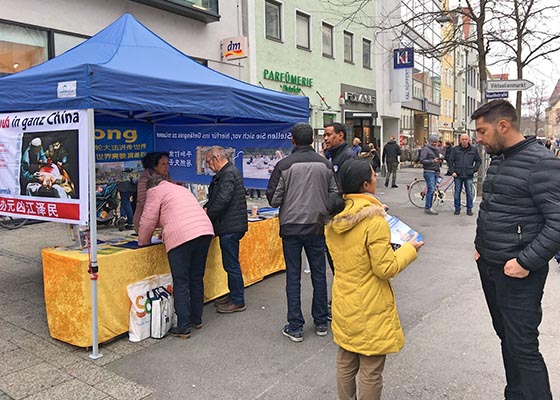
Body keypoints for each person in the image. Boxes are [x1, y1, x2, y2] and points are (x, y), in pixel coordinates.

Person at [472, 99, 560, 400]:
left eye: (482, 131)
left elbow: (557, 222)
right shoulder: (500, 158)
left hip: (519, 273)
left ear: (503, 126)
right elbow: (491, 208)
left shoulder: (541, 162)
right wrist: (479, 247)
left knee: (523, 346)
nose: (479, 139)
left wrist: (525, 262)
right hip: (490, 266)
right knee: (507, 338)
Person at [325, 159, 423, 400]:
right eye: (373, 176)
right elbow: (385, 268)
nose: (375, 179)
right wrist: (409, 249)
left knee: (346, 360)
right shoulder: (374, 222)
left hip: (344, 298)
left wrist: (378, 211)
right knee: (371, 369)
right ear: (365, 184)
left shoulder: (334, 216)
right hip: (370, 303)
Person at [266, 123, 338, 342]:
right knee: (319, 274)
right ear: (312, 140)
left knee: (293, 276)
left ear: (293, 140)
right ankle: (321, 321)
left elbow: (274, 199)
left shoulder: (284, 165)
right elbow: (334, 195)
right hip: (317, 226)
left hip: (291, 227)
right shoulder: (325, 165)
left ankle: (296, 326)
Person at [138, 175, 214, 339]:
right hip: (204, 231)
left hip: (182, 236)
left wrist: (143, 242)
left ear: (150, 187)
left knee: (181, 281)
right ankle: (196, 319)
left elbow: (148, 220)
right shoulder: (180, 189)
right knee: (196, 277)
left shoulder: (154, 191)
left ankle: (183, 327)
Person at [204, 146, 249, 314]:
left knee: (231, 264)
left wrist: (208, 213)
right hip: (230, 224)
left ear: (216, 158)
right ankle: (234, 295)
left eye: (208, 162)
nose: (208, 166)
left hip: (230, 225)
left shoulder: (228, 173)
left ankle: (238, 300)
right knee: (230, 263)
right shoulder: (227, 172)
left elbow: (223, 199)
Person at [133, 152, 171, 232]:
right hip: (145, 220)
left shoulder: (167, 176)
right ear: (154, 166)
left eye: (168, 163)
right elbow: (143, 201)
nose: (167, 166)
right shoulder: (145, 179)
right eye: (163, 164)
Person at [447, 134, 481, 216]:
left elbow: (478, 161)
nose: (464, 141)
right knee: (457, 193)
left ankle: (469, 209)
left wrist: (474, 170)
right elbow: (450, 161)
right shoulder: (455, 150)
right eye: (462, 139)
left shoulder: (473, 150)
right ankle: (457, 209)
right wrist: (452, 171)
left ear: (468, 140)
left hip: (469, 174)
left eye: (466, 139)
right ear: (460, 140)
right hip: (457, 174)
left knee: (469, 193)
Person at [323, 123, 356, 188]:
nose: (325, 138)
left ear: (340, 136)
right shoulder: (332, 155)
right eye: (324, 136)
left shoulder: (348, 156)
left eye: (329, 135)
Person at [419, 134, 442, 215]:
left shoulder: (437, 149)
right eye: (433, 142)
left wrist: (440, 160)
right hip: (429, 171)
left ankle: (429, 206)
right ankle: (428, 208)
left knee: (432, 190)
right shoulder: (426, 149)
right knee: (431, 189)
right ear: (430, 142)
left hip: (435, 171)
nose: (434, 143)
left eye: (436, 142)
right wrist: (432, 161)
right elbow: (422, 160)